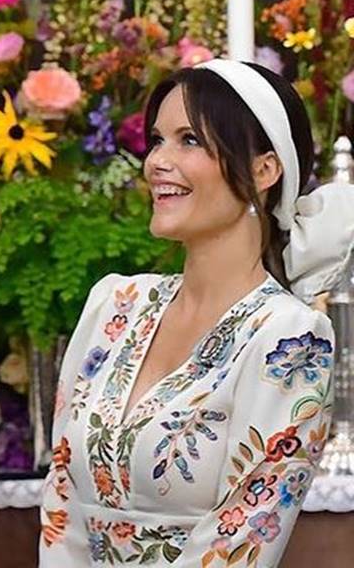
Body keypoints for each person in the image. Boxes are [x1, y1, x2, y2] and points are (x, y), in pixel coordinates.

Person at [39, 60, 338, 566]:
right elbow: (62, 496)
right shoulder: (115, 305)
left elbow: (241, 536)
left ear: (265, 170)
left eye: (189, 140)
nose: (157, 161)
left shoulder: (289, 338)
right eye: (157, 140)